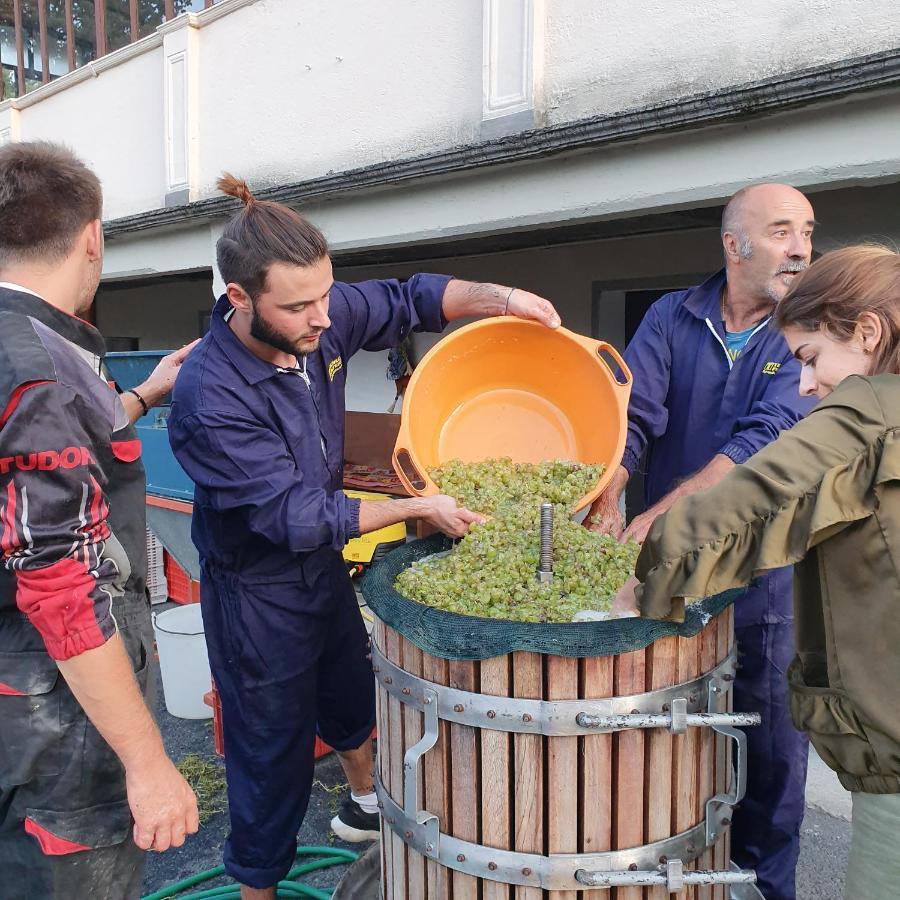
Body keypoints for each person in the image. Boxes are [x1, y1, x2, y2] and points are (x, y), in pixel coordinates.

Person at [167, 174, 561, 899]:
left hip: (320, 566)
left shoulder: (318, 317)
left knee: (352, 692)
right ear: (240, 301)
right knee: (270, 752)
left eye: (326, 295)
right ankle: (258, 884)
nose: (322, 318)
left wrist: (503, 301)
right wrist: (421, 505)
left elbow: (413, 297)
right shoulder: (208, 398)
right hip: (258, 591)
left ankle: (364, 803)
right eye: (299, 306)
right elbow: (292, 516)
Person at [617, 244, 900, 900]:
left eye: (809, 359)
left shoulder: (868, 412)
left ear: (867, 333)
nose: (805, 386)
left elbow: (751, 501)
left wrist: (637, 588)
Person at [588, 183, 817, 899]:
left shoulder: (808, 331)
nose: (802, 247)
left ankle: (761, 882)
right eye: (782, 231)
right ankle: (682, 869)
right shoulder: (671, 316)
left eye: (807, 231)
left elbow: (762, 442)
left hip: (767, 573)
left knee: (771, 744)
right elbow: (634, 412)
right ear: (734, 245)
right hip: (679, 574)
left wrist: (662, 515)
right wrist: (609, 483)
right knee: (676, 725)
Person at [0, 142, 199, 899]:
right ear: (93, 236)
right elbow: (62, 584)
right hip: (52, 721)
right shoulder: (39, 365)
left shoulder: (24, 352)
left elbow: (40, 464)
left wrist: (145, 394)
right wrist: (148, 766)